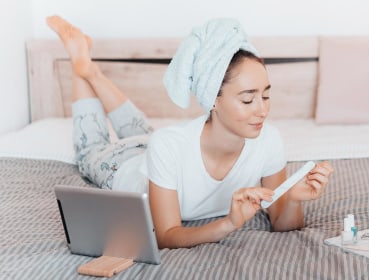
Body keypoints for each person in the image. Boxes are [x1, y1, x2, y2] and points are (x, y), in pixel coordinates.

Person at [47, 15, 334, 249]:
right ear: (213, 100)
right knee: (90, 150)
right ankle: (79, 66)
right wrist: (229, 224)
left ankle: (92, 72)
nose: (262, 110)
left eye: (266, 96)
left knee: (141, 130)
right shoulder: (169, 145)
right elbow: (167, 234)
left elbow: (281, 222)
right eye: (248, 99)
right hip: (123, 166)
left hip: (157, 151)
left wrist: (294, 199)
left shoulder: (269, 140)